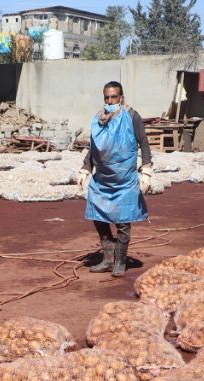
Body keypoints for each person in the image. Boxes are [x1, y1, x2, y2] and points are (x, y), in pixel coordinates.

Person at [76, 81, 153, 278]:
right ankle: (108, 258)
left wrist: (146, 169)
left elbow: (144, 142)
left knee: (123, 222)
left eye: (114, 97)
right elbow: (94, 147)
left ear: (121, 97)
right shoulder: (98, 119)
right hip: (102, 179)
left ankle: (121, 262)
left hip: (124, 178)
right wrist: (86, 168)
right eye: (107, 97)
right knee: (99, 218)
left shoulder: (132, 116)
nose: (110, 101)